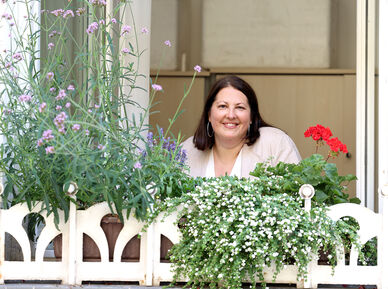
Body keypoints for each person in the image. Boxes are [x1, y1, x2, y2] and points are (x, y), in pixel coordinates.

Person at [182, 75, 301, 178]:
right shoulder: (186, 150)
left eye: (240, 107)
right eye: (223, 106)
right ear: (209, 114)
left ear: (251, 117)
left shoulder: (274, 142)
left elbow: (300, 196)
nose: (231, 115)